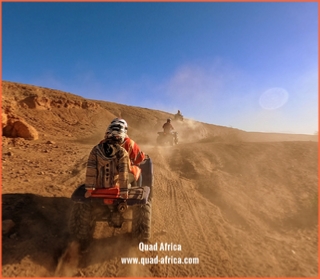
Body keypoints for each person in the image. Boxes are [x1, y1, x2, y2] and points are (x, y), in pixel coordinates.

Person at [84, 127, 131, 199]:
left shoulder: (96, 150)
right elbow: (123, 173)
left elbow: (91, 170)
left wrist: (90, 190)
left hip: (98, 186)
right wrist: (124, 191)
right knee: (131, 182)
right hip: (114, 187)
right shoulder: (122, 152)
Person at [104, 118, 146, 186]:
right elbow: (139, 159)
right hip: (122, 176)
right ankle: (137, 188)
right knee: (137, 171)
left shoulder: (102, 143)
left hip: (103, 176)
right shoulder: (130, 143)